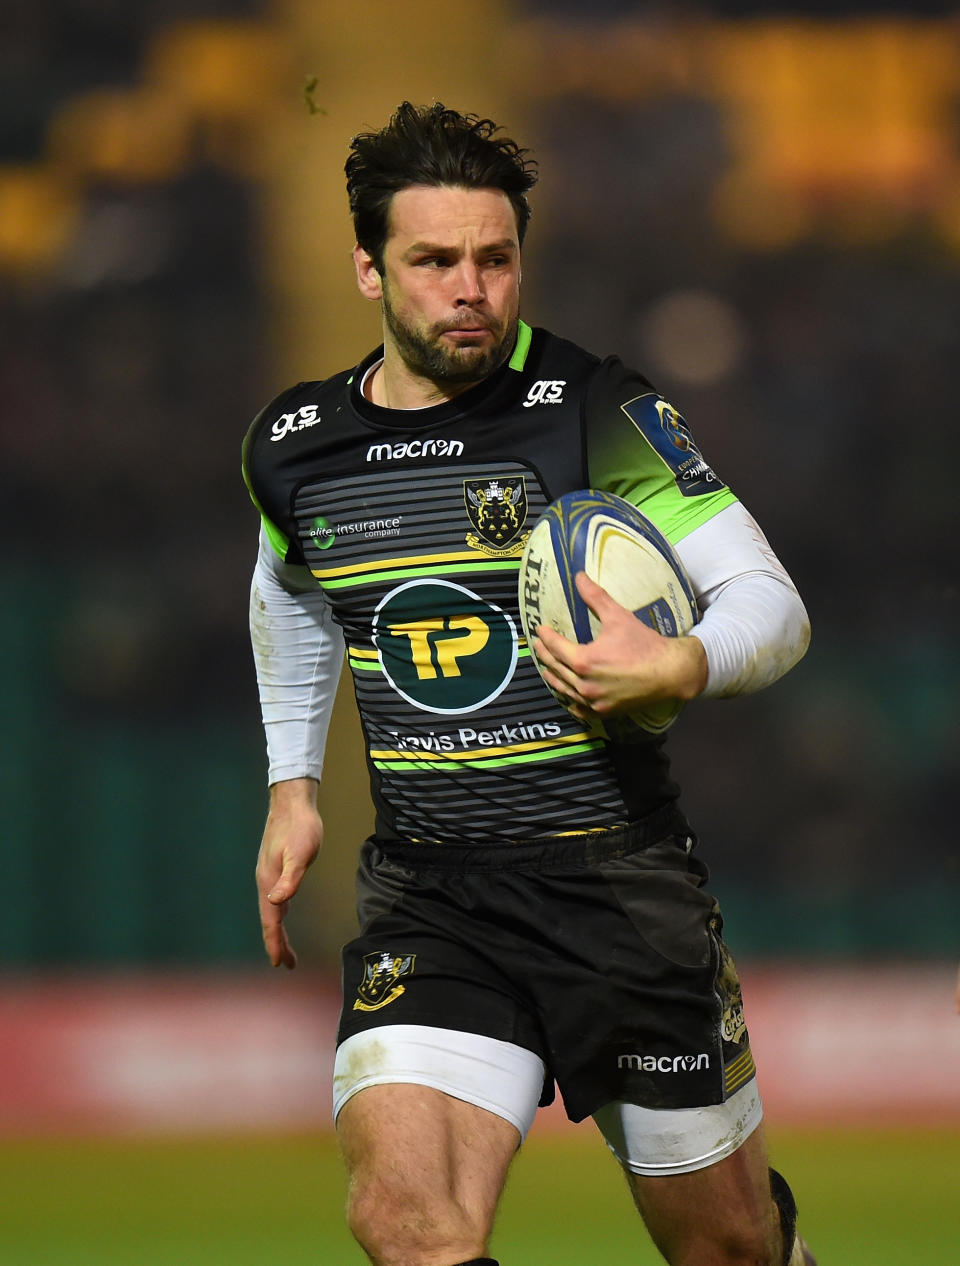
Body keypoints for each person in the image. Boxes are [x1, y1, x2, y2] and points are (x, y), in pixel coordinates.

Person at [243, 101, 814, 1266]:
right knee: (406, 1224)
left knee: (732, 1254)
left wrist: (683, 659)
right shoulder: (294, 446)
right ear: (368, 269)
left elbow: (773, 601)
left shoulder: (594, 410)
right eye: (435, 260)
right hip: (434, 895)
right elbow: (291, 589)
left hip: (617, 889)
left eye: (496, 259)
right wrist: (292, 786)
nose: (472, 288)